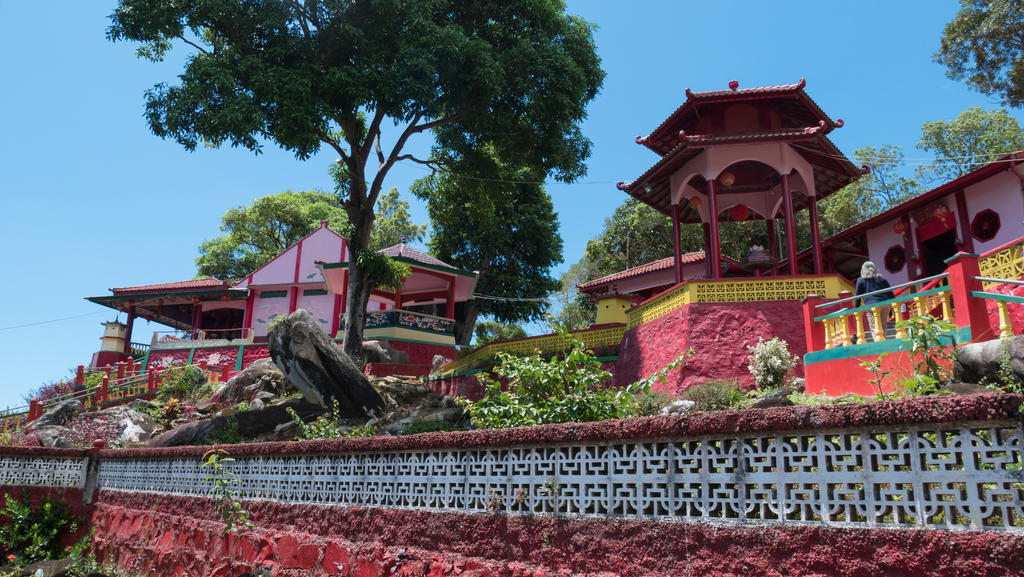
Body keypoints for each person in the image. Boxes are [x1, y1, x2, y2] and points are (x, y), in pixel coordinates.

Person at [855, 261, 895, 341]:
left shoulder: (861, 280)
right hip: (884, 304)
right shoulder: (882, 279)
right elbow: (890, 293)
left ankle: (879, 345)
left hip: (871, 306)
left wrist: (856, 307)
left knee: (874, 327)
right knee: (883, 325)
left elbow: (858, 296)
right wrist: (892, 306)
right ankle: (884, 342)